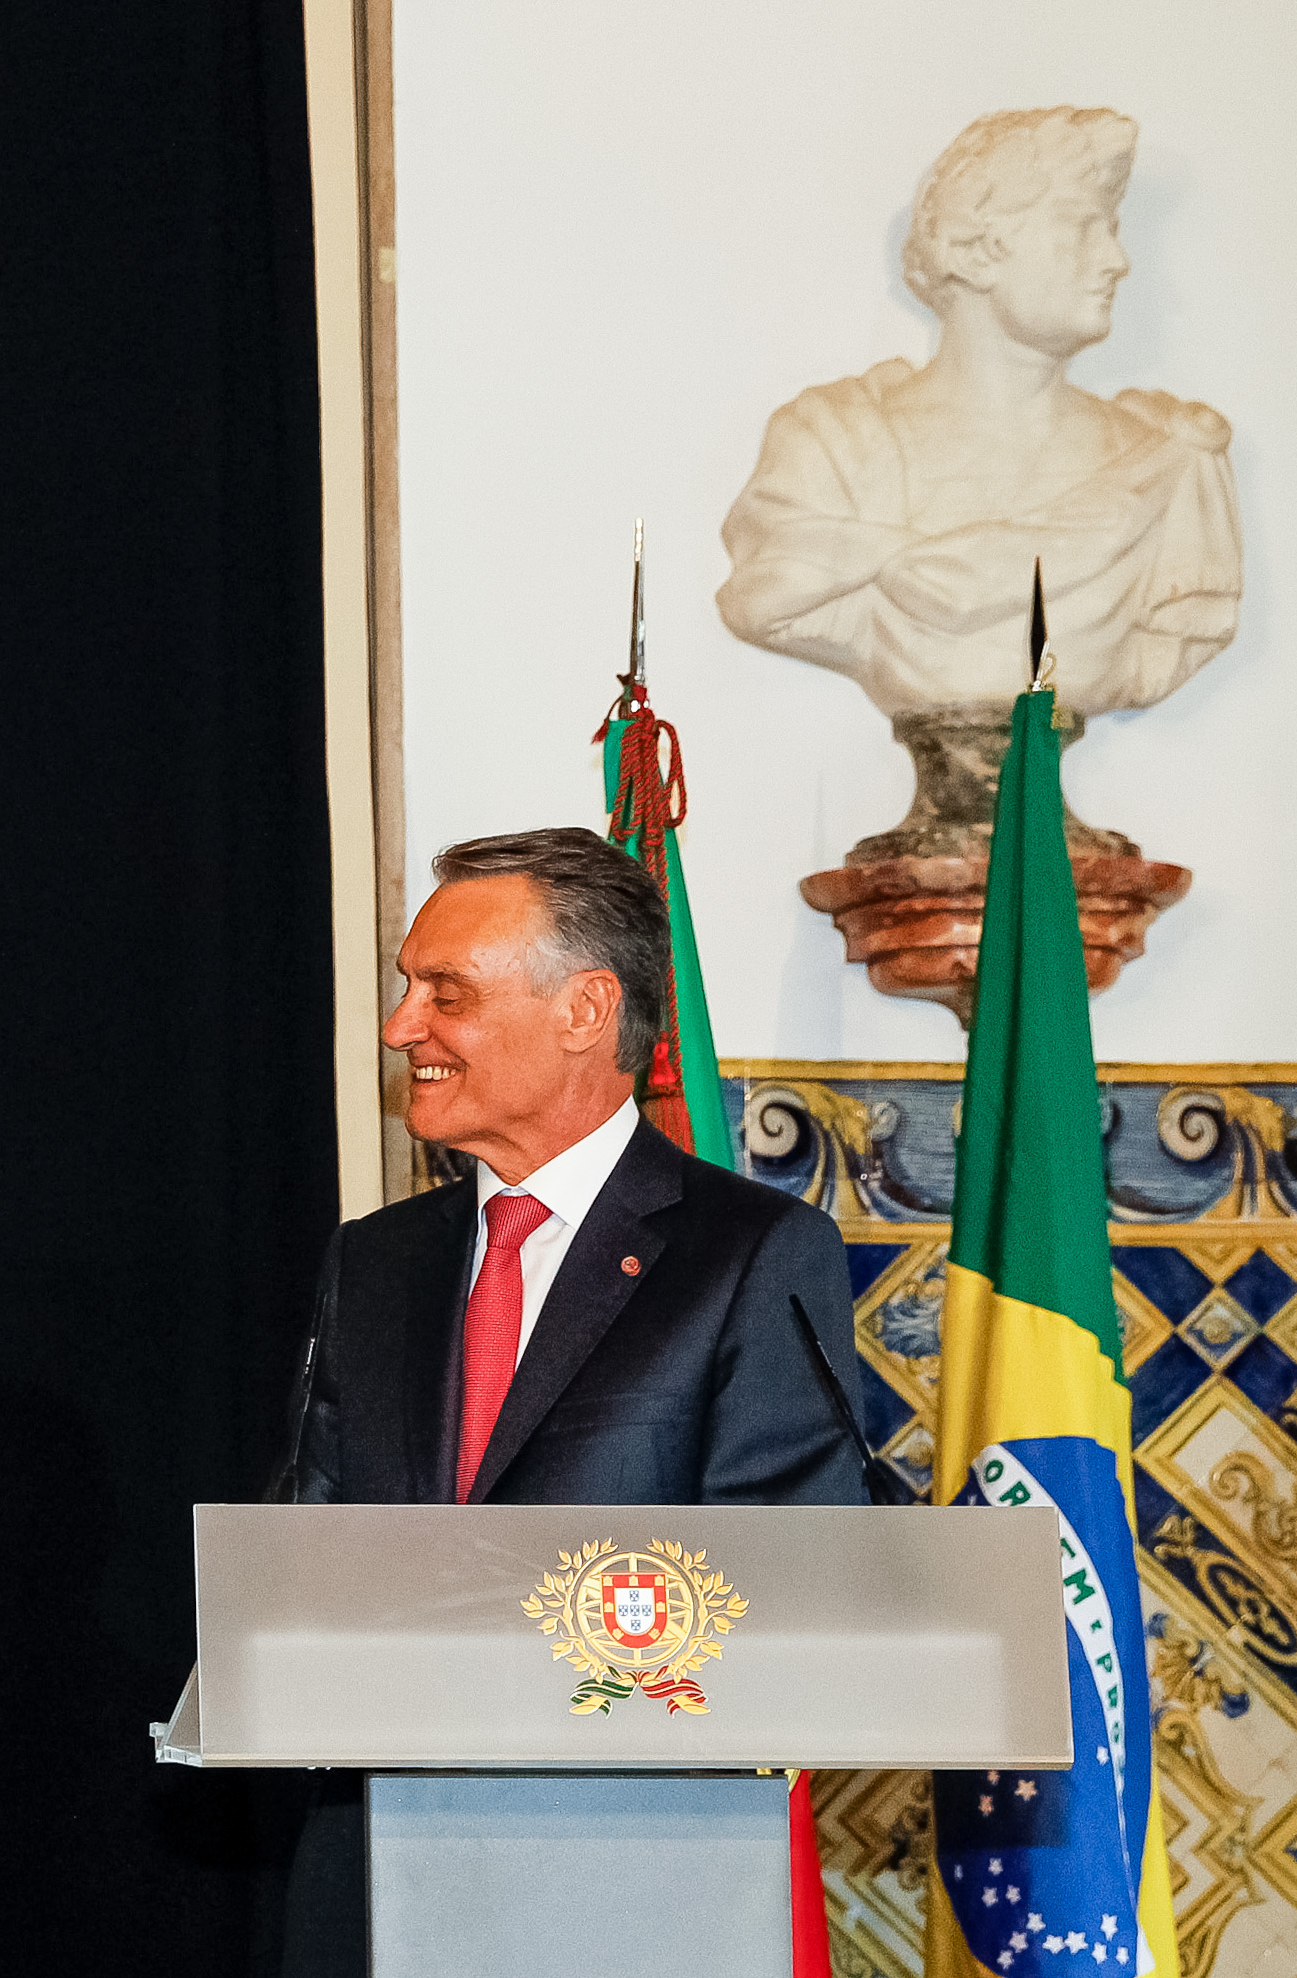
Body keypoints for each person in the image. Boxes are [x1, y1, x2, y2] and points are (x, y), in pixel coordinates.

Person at [271, 828, 866, 1978]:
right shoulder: (373, 1261)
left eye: (444, 993)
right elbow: (306, 1554)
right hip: (374, 1879)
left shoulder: (747, 1253)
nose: (400, 1026)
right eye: (406, 988)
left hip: (631, 1882)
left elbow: (789, 1590)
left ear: (584, 1009)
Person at [716, 107, 1236, 722]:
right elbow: (766, 593)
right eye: (1082, 228)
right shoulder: (832, 445)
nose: (1116, 259)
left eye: (1113, 230)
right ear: (976, 252)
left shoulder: (1165, 463)